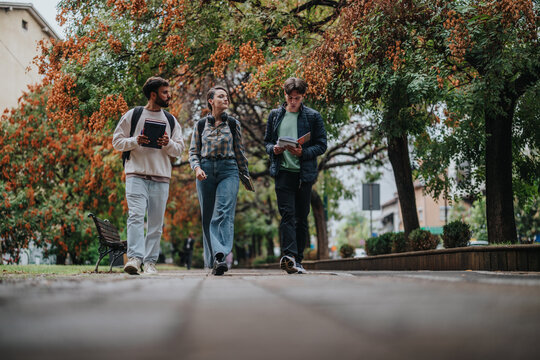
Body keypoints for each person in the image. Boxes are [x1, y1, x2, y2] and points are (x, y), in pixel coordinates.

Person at [112, 76, 185, 275]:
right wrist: (136, 140)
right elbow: (116, 142)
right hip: (136, 174)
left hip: (161, 177)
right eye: (164, 92)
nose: (169, 96)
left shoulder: (171, 120)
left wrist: (167, 143)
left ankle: (150, 262)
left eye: (168, 92)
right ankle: (135, 259)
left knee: (155, 223)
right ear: (153, 94)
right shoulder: (133, 115)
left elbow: (179, 149)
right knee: (135, 216)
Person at [264, 77, 327, 274]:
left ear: (303, 96)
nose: (293, 102)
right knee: (287, 215)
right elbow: (267, 141)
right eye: (290, 98)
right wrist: (272, 149)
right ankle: (289, 256)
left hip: (303, 175)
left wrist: (303, 152)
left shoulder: (313, 117)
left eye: (297, 98)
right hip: (283, 172)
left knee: (301, 217)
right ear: (285, 95)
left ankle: (298, 259)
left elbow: (321, 145)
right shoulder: (275, 116)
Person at [189, 86, 249, 276]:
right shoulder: (200, 125)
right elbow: (193, 152)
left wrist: (245, 175)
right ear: (211, 101)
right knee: (207, 216)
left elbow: (239, 151)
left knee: (222, 212)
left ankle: (220, 256)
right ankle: (212, 259)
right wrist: (197, 168)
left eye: (227, 96)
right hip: (205, 170)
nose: (226, 99)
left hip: (228, 170)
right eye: (221, 96)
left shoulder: (233, 124)